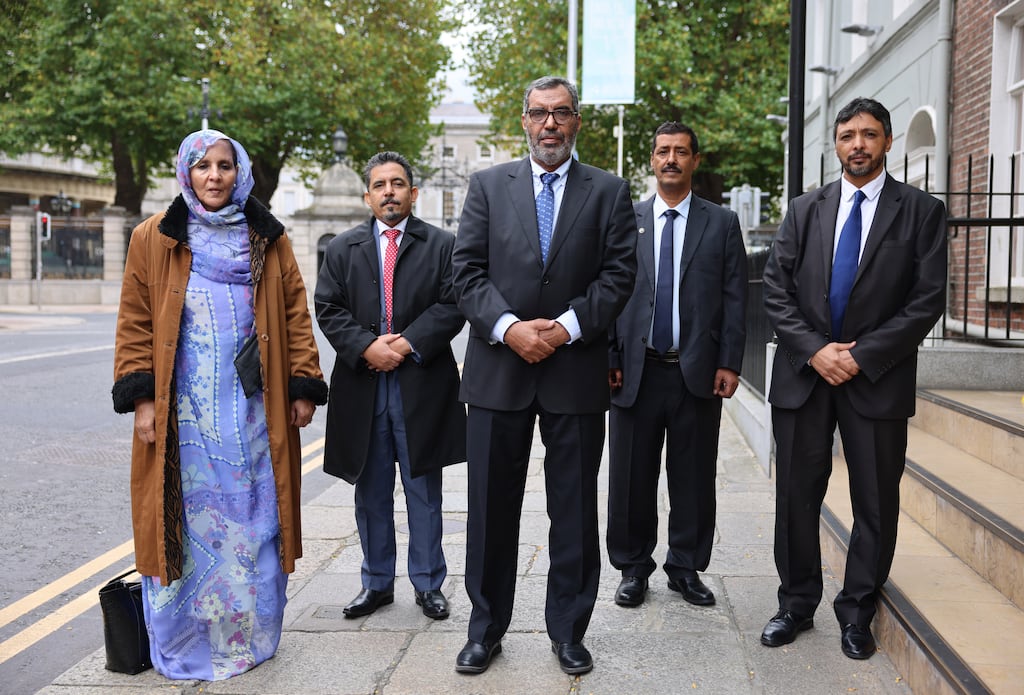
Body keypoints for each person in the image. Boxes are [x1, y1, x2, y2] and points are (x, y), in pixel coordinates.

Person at [112, 129, 328, 681]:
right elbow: (135, 320)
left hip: (255, 412)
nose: (214, 176)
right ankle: (185, 640)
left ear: (240, 172)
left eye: (225, 165)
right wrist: (141, 400)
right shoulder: (153, 236)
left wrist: (304, 384)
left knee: (257, 519)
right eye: (203, 165)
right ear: (186, 173)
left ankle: (249, 636)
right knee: (183, 523)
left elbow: (295, 313)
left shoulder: (268, 237)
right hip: (183, 414)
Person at [451, 75, 637, 676]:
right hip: (499, 372)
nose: (549, 124)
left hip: (574, 371)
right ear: (524, 121)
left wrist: (560, 329)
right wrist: (510, 328)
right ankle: (484, 630)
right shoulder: (485, 186)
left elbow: (618, 278)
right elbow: (466, 274)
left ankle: (569, 630)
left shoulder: (609, 192)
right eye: (538, 114)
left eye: (561, 113)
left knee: (575, 510)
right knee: (489, 509)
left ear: (578, 121)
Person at [761, 97, 947, 660]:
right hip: (804, 376)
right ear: (836, 144)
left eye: (869, 134)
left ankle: (858, 612)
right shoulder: (804, 209)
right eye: (847, 135)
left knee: (874, 502)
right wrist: (817, 351)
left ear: (888, 141)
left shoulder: (920, 211)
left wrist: (860, 357)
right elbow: (776, 289)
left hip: (876, 381)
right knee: (795, 497)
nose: (857, 145)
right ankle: (795, 604)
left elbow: (926, 300)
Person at [314, 151, 466, 621]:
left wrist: (404, 345)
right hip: (364, 387)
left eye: (398, 184)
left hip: (420, 385)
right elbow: (328, 308)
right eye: (380, 185)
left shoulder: (443, 245)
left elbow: (453, 302)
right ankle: (376, 583)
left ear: (413, 193)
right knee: (371, 491)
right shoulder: (342, 248)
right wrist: (366, 347)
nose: (389, 192)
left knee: (424, 490)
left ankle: (428, 584)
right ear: (367, 196)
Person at [606, 122, 747, 609]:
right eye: (663, 151)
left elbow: (734, 296)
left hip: (696, 372)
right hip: (635, 370)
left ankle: (685, 567)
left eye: (681, 152)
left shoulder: (721, 223)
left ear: (694, 161)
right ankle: (632, 567)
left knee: (693, 475)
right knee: (630, 477)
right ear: (651, 160)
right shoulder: (626, 218)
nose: (671, 159)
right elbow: (608, 292)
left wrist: (730, 361)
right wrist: (610, 355)